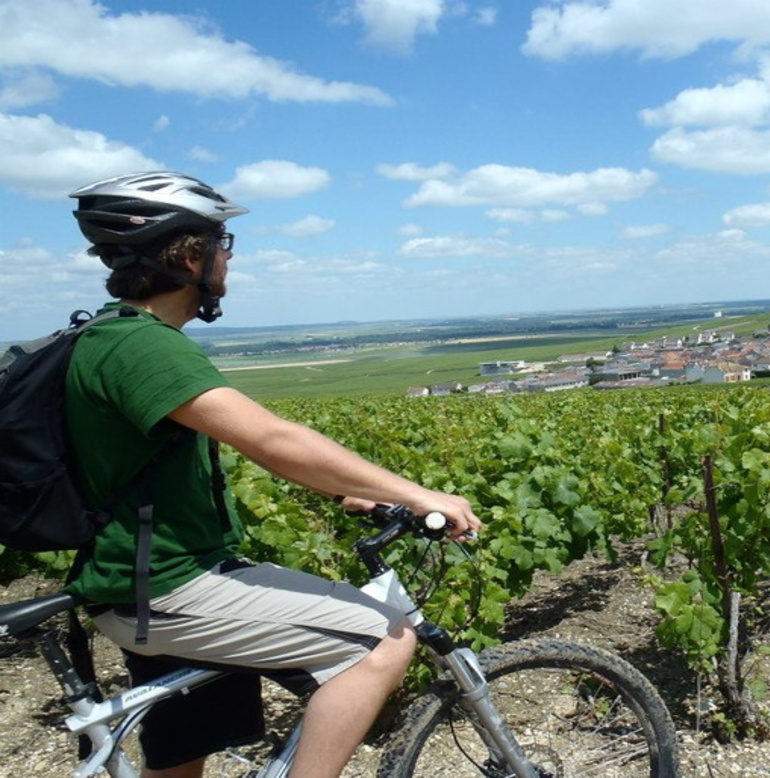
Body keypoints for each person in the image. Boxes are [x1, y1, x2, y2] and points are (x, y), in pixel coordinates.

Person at [61, 171, 481, 778]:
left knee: (185, 751)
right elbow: (273, 440)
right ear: (187, 253)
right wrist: (416, 494)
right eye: (221, 242)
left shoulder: (106, 336)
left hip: (147, 580)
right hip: (169, 588)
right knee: (385, 639)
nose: (226, 258)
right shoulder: (142, 346)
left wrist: (351, 489)